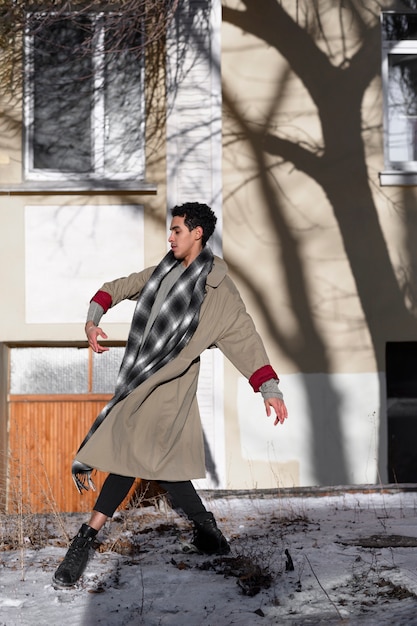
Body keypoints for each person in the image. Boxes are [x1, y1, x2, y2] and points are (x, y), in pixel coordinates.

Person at [52, 202, 288, 588]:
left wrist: (269, 388)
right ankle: (206, 532)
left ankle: (85, 540)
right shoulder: (162, 272)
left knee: (148, 464)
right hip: (138, 379)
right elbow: (117, 287)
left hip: (171, 390)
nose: (170, 236)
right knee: (142, 461)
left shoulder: (219, 292)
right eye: (171, 229)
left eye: (177, 230)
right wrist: (93, 320)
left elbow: (245, 339)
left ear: (198, 233)